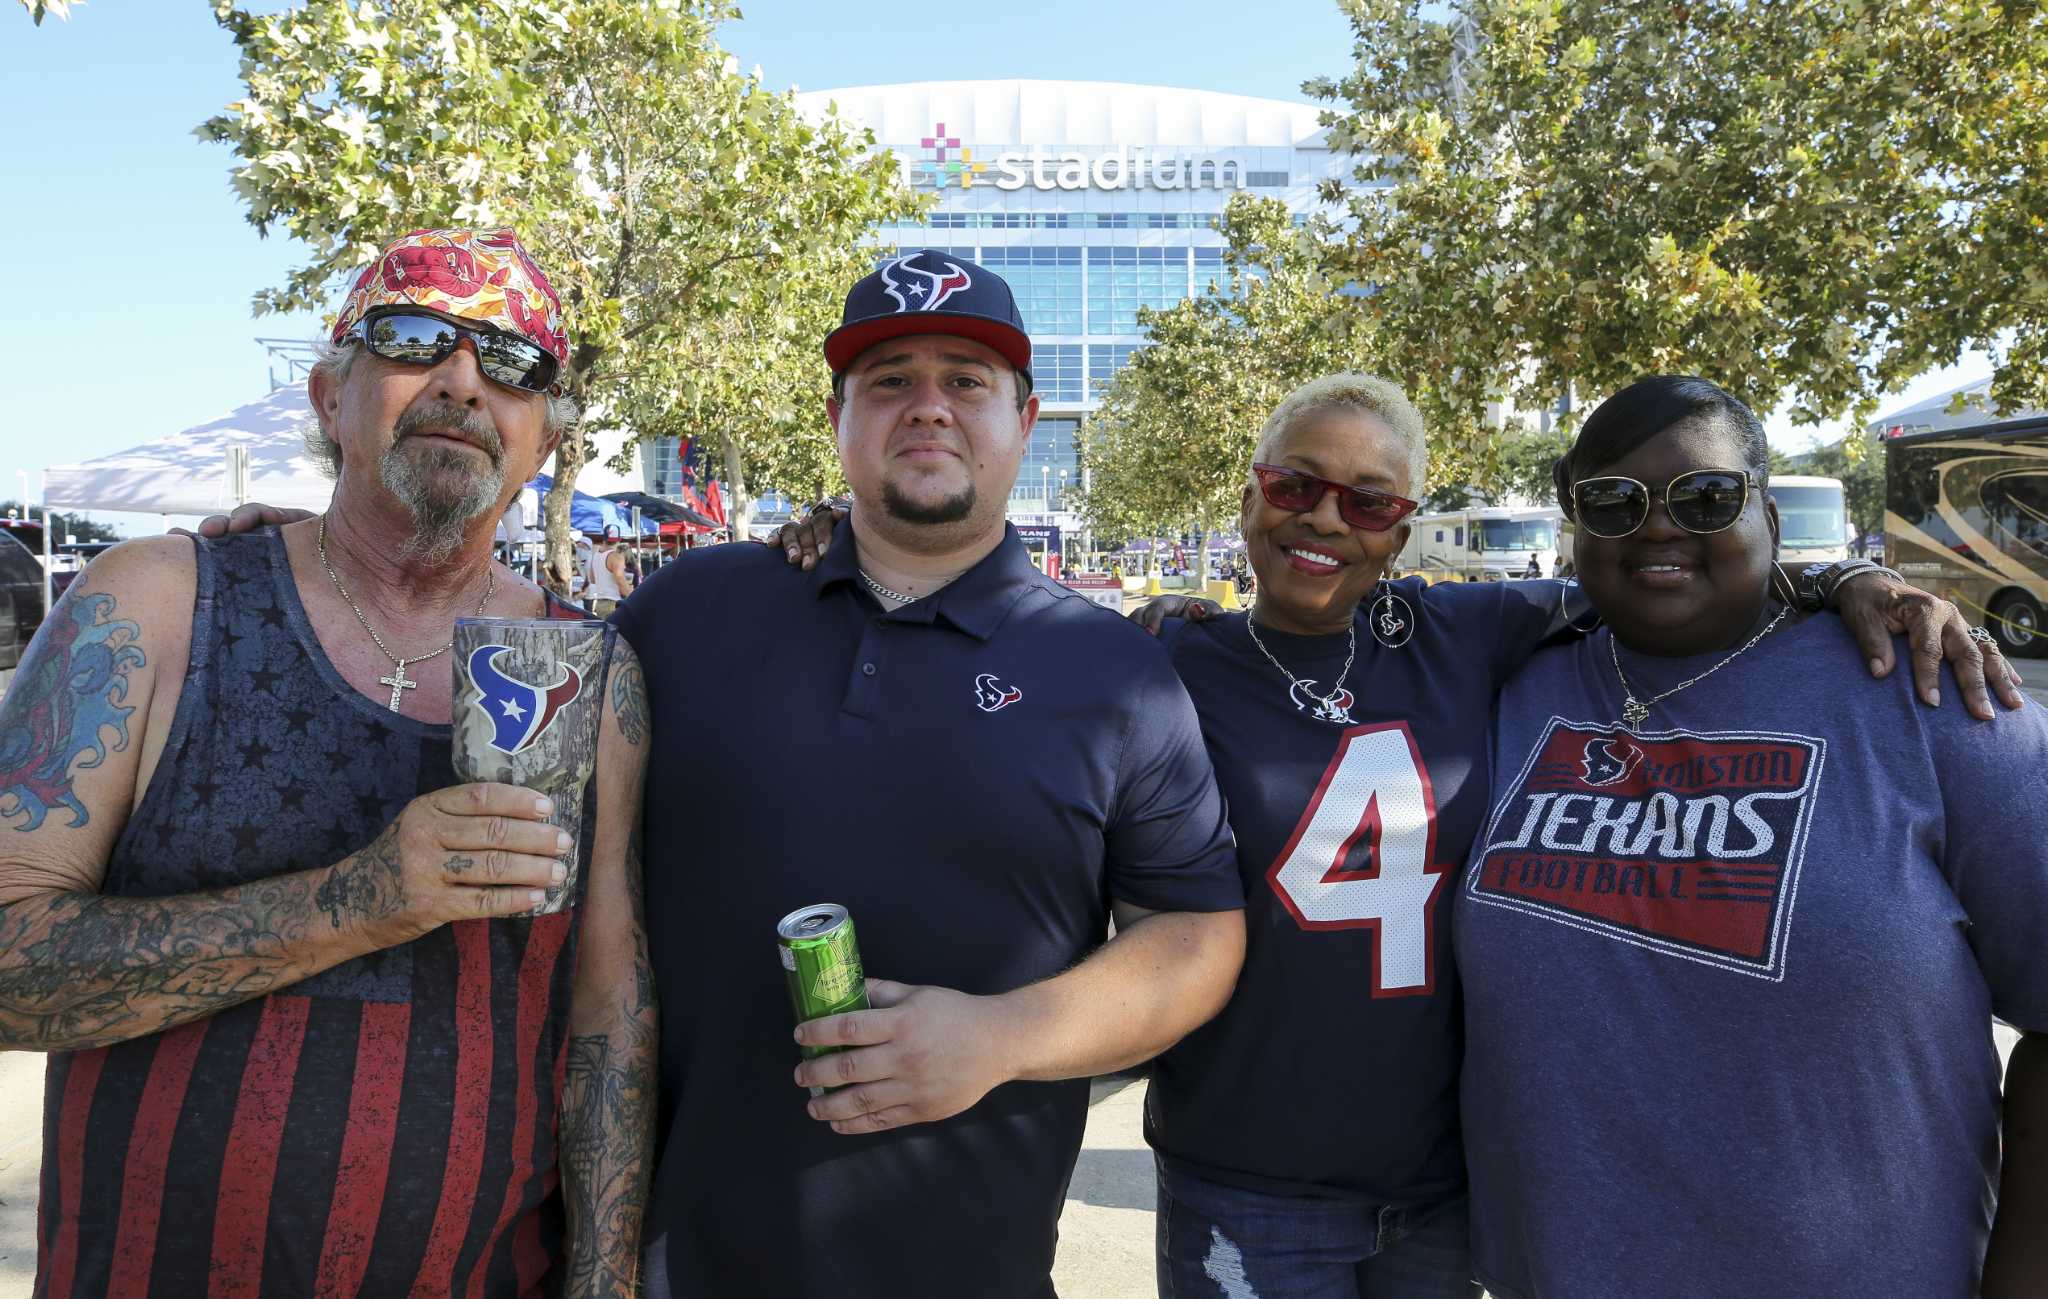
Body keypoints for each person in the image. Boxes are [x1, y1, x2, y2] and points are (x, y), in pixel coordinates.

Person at [778, 370, 2019, 1299]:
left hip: (1437, 1192)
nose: (1325, 517)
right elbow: (994, 629)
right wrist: (845, 539)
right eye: (1291, 485)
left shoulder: (1468, 634)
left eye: (1368, 501)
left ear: (1405, 520)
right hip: (1243, 1176)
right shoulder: (1159, 656)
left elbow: (1657, 570)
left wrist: (1852, 581)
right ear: (1251, 493)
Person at [0, 228, 655, 1296]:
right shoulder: (158, 605)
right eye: (412, 339)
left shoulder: (592, 673)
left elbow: (606, 1011)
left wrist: (605, 1279)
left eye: (512, 362)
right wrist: (366, 897)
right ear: (328, 397)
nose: (460, 381)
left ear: (544, 441)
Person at [614, 249, 1245, 1298]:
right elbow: (510, 689)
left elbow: (1194, 936)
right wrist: (295, 546)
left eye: (965, 379)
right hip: (684, 1260)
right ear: (837, 416)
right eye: (890, 380)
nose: (928, 407)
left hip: (970, 1266)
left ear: (1024, 422)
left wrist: (1000, 1037)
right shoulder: (688, 609)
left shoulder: (1118, 675)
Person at [1456, 376, 2048, 1297]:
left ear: (1767, 513)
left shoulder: (1939, 700)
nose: (1658, 528)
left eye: (1705, 497)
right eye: (1613, 504)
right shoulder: (1509, 690)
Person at [584, 524, 633, 616]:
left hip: (599, 603)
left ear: (604, 538)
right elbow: (620, 582)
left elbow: (592, 579)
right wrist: (632, 597)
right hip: (614, 603)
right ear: (619, 539)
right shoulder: (616, 557)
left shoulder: (596, 555)